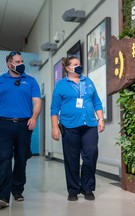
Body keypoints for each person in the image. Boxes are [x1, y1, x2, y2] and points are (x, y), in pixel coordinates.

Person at [50, 56, 105, 201]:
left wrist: (101, 119)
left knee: (91, 155)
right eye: (75, 64)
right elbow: (54, 108)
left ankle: (87, 188)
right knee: (71, 159)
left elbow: (97, 102)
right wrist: (54, 127)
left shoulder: (88, 82)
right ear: (67, 68)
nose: (79, 66)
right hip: (69, 126)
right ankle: (73, 189)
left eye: (79, 64)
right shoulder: (61, 85)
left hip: (90, 125)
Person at [0, 51, 42, 209]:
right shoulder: (1, 81)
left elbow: (37, 101)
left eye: (22, 60)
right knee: (4, 157)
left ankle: (17, 190)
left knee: (21, 158)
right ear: (9, 64)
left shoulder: (30, 81)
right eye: (17, 61)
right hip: (3, 125)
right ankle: (3, 196)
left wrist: (34, 117)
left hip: (24, 125)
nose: (21, 63)